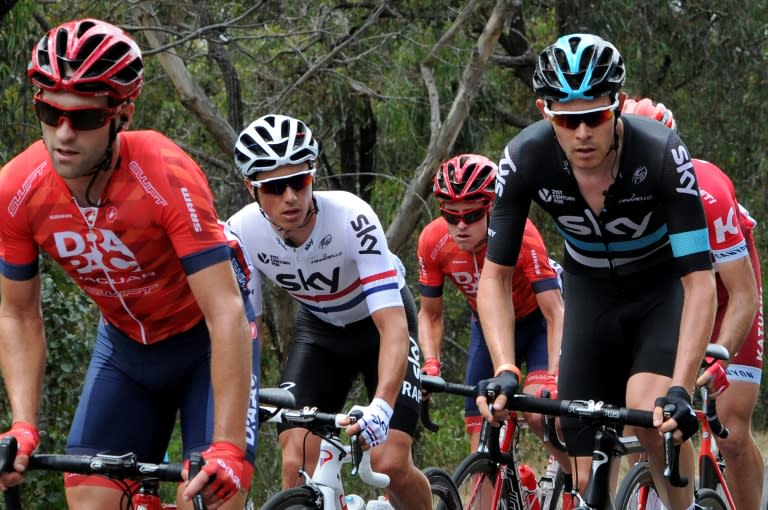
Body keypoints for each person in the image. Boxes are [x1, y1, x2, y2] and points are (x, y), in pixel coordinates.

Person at [0, 19, 256, 510]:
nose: (64, 133)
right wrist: (23, 425)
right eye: (49, 113)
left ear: (122, 114)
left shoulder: (164, 171)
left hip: (203, 343)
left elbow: (226, 311)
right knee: (91, 502)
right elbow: (18, 314)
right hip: (124, 350)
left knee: (210, 499)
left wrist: (225, 448)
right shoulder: (18, 189)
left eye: (86, 119)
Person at [474, 34, 716, 510]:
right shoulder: (525, 158)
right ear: (546, 113)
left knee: (651, 410)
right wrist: (505, 366)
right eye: (566, 119)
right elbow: (495, 277)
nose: (582, 132)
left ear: (619, 106)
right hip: (589, 295)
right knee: (578, 443)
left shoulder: (663, 154)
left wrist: (682, 388)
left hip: (659, 291)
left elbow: (699, 281)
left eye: (595, 116)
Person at [227, 114, 432, 509]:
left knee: (390, 463)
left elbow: (392, 326)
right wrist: (244, 394)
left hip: (379, 326)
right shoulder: (240, 232)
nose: (289, 196)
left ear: (312, 178)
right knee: (294, 460)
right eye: (273, 186)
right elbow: (244, 327)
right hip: (320, 331)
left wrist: (383, 406)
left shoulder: (352, 218)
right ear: (249, 187)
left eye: (299, 181)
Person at [622, 97, 764, 510]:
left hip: (724, 297)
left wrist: (720, 358)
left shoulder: (709, 192)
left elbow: (742, 294)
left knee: (731, 429)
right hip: (669, 298)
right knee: (639, 420)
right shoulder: (604, 195)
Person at [416, 153, 574, 503]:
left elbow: (555, 313)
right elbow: (430, 314)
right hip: (488, 331)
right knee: (481, 440)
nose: (460, 225)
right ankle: (522, 488)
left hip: (537, 324)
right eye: (449, 214)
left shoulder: (522, 234)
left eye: (471, 215)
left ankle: (578, 478)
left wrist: (552, 375)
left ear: (491, 207)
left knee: (536, 412)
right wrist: (430, 364)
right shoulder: (433, 241)